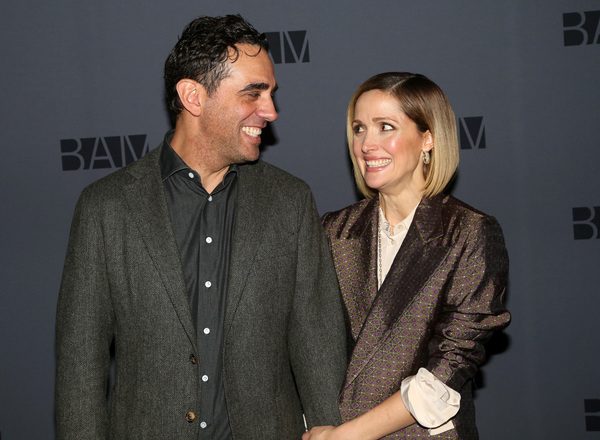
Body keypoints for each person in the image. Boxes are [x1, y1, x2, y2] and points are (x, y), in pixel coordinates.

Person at [55, 14, 346, 439]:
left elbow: (318, 351)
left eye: (271, 93)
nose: (270, 111)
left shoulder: (289, 202)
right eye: (253, 93)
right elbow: (80, 369)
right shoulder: (107, 207)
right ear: (193, 96)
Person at [304, 72, 510, 440]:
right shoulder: (332, 231)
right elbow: (308, 345)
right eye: (359, 128)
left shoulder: (468, 232)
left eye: (386, 127)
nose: (368, 143)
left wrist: (348, 435)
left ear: (427, 138)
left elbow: (449, 368)